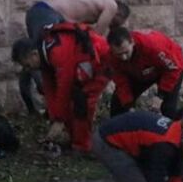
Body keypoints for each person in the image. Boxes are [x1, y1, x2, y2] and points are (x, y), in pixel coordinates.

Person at [20, 0, 130, 114]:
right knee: (41, 63)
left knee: (31, 60)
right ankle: (55, 112)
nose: (114, 28)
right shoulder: (111, 6)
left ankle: (33, 109)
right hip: (49, 14)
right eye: (116, 24)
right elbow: (95, 39)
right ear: (119, 14)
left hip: (39, 12)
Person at [11, 22, 110, 153]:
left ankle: (83, 146)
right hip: (82, 66)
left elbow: (64, 86)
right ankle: (75, 139)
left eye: (28, 65)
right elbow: (50, 91)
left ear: (34, 54)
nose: (29, 69)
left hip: (100, 63)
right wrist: (55, 119)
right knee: (69, 103)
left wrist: (59, 120)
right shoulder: (45, 55)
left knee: (83, 102)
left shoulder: (56, 52)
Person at [107, 27, 183, 119]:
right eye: (119, 54)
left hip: (169, 69)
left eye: (126, 52)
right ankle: (119, 131)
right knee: (119, 104)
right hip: (140, 71)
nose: (123, 57)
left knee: (168, 109)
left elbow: (173, 69)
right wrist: (128, 105)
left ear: (132, 42)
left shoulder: (151, 46)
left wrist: (160, 96)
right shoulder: (111, 56)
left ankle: (182, 127)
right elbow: (121, 81)